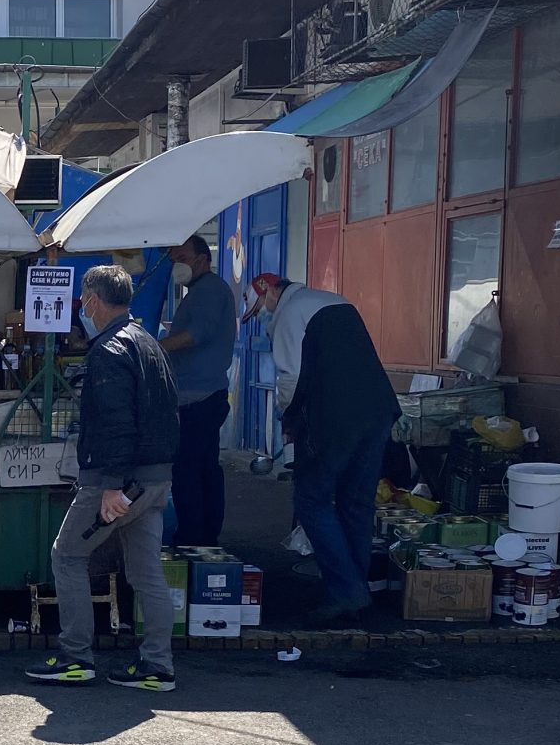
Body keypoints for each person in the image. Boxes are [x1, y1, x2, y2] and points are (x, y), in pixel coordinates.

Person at [26, 263, 180, 693]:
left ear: (93, 300)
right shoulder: (149, 343)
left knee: (68, 556)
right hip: (154, 480)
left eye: (83, 302)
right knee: (147, 572)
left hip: (116, 482)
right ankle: (158, 666)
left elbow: (115, 423)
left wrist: (111, 484)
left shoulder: (109, 351)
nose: (82, 309)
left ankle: (76, 656)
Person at [246, 274, 402, 625]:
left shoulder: (289, 313)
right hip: (377, 410)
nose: (263, 315)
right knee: (356, 504)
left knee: (311, 500)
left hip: (333, 418)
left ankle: (347, 593)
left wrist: (289, 424)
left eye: (261, 308)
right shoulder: (336, 300)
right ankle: (355, 588)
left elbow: (289, 378)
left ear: (270, 291)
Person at [158, 234, 237, 545]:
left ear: (203, 259)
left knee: (190, 470)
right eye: (174, 259)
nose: (178, 265)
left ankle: (194, 537)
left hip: (200, 398)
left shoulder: (208, 291)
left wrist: (155, 346)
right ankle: (203, 537)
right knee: (202, 467)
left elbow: (194, 336)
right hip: (199, 395)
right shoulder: (200, 292)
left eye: (182, 258)